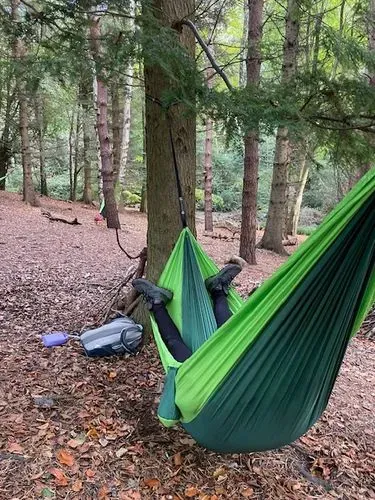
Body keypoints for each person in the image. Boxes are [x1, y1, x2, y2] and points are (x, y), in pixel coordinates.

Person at [132, 263, 242, 362]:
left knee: (174, 344)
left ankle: (157, 303)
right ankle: (218, 290)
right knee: (228, 338)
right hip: (225, 365)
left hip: (195, 374)